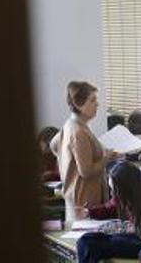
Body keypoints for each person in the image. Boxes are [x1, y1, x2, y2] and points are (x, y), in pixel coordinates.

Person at [49, 81, 120, 220]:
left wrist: (68, 166)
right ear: (78, 104)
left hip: (74, 194)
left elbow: (53, 146)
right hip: (85, 198)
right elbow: (86, 172)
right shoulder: (79, 132)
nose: (97, 104)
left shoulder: (71, 124)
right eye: (92, 100)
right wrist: (106, 158)